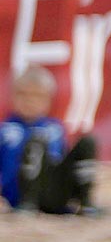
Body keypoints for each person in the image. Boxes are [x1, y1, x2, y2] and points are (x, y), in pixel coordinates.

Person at [1, 67, 100, 215]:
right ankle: (28, 204)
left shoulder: (55, 128)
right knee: (36, 140)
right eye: (23, 95)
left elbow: (62, 160)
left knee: (87, 142)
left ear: (48, 100)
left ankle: (86, 203)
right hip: (20, 193)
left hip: (54, 189)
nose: (30, 101)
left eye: (37, 96)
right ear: (13, 97)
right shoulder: (5, 130)